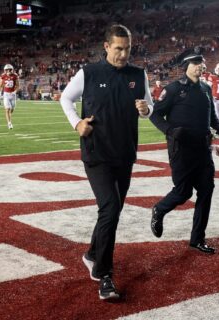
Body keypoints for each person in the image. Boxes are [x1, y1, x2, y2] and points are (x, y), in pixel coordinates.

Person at [59, 24, 153, 300]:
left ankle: (91, 253)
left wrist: (147, 109)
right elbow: (66, 98)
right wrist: (76, 123)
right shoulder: (89, 73)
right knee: (110, 208)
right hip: (96, 152)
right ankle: (104, 274)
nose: (123, 54)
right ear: (106, 47)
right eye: (118, 48)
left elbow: (149, 106)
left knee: (112, 211)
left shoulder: (138, 74)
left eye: (127, 49)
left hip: (124, 153)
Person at [149, 54, 219, 255]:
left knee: (206, 190)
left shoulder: (206, 88)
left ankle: (198, 238)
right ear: (186, 67)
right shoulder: (174, 89)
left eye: (201, 64)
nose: (200, 67)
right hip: (181, 148)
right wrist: (169, 130)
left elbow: (211, 116)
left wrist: (218, 126)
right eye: (195, 64)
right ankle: (159, 209)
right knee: (183, 192)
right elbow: (155, 114)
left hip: (203, 148)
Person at [0, 64, 19, 129]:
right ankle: (9, 123)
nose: (8, 71)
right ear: (5, 70)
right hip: (6, 94)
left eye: (10, 69)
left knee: (12, 109)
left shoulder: (15, 76)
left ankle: (9, 119)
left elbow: (18, 85)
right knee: (7, 109)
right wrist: (0, 92)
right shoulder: (3, 76)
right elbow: (1, 85)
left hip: (13, 94)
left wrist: (15, 91)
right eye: (7, 70)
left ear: (12, 70)